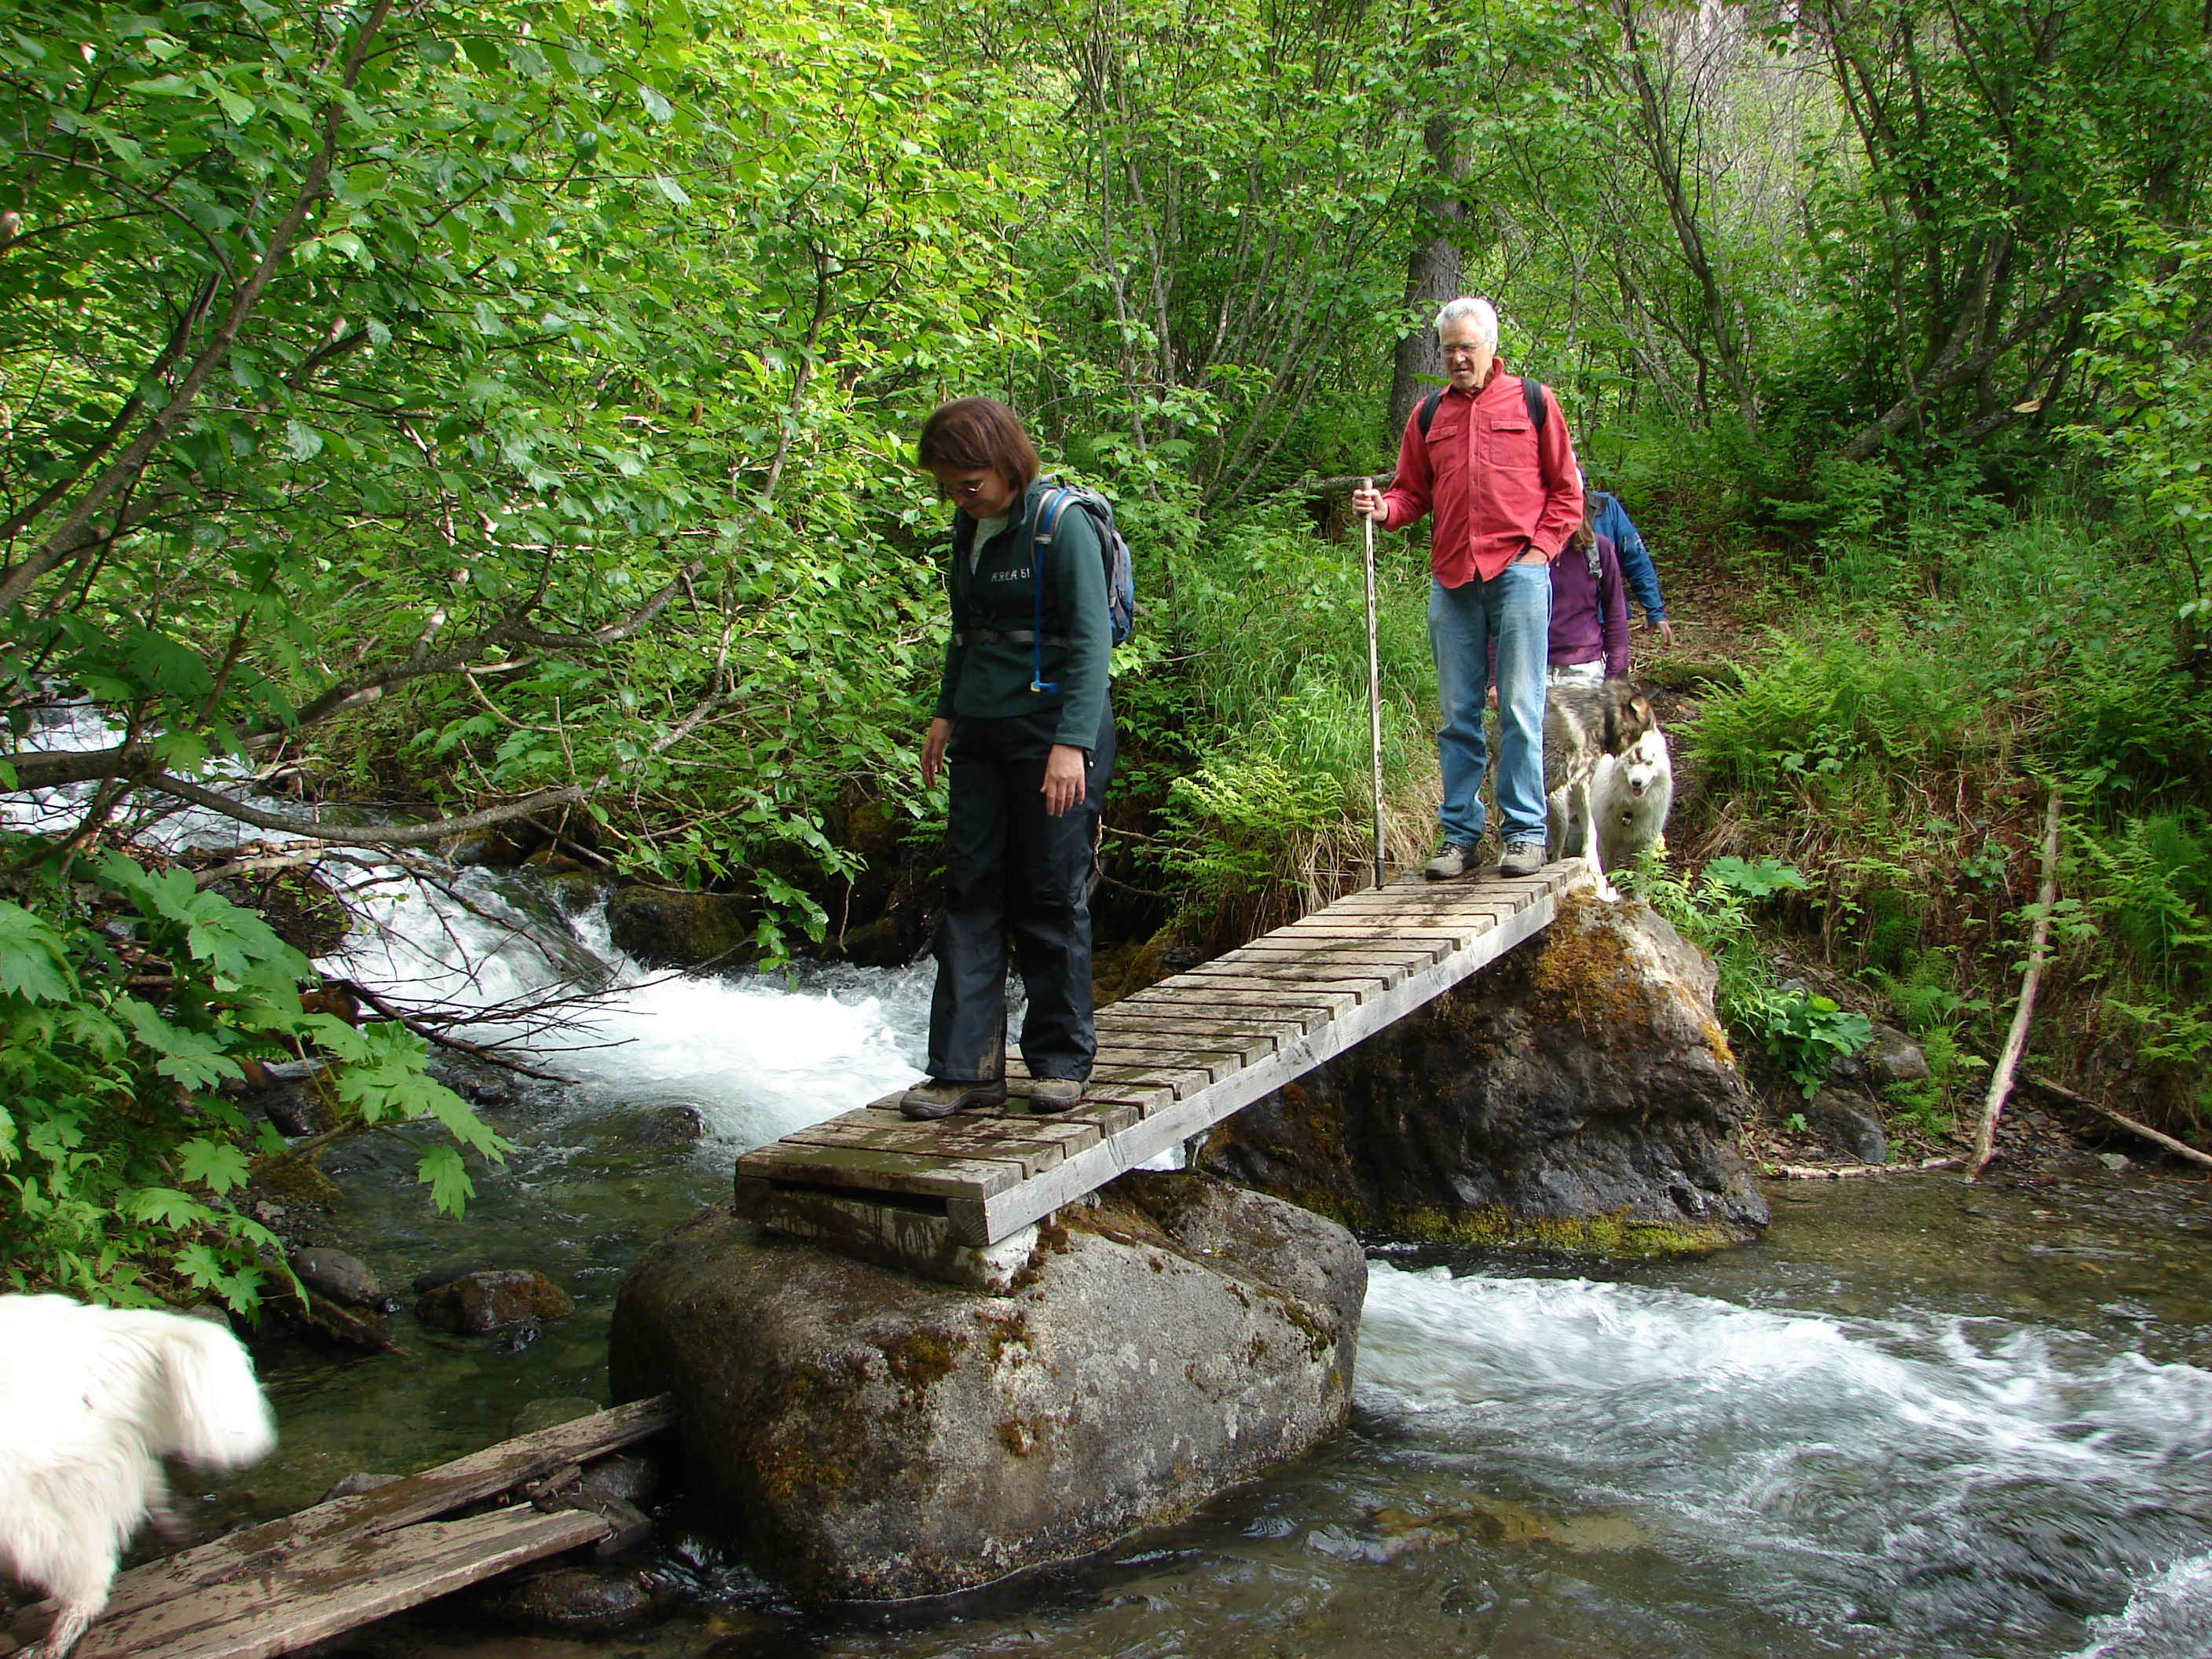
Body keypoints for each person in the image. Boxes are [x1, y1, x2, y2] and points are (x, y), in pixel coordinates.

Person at [903, 397, 1114, 1122]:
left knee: (1050, 891)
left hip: (1053, 731)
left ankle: (1059, 1062)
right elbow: (965, 629)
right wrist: (945, 710)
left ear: (1006, 463)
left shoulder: (1061, 524)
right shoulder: (970, 526)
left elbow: (1091, 640)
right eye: (949, 489)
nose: (960, 499)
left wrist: (1072, 744)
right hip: (983, 731)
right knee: (970, 890)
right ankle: (965, 1070)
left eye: (970, 484)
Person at [1352, 298, 1582, 880]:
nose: (1457, 358)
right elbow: (1411, 493)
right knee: (1458, 715)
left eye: (1467, 347)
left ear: (1490, 347)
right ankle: (1460, 838)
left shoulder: (1533, 402)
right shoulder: (1429, 415)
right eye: (1449, 348)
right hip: (1453, 578)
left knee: (1521, 711)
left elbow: (1567, 492)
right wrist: (1382, 509)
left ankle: (1525, 834)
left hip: (1517, 575)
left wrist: (1538, 554)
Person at [1588, 482, 1673, 647]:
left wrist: (1655, 610)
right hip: (1556, 622)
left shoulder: (1605, 508)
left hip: (1605, 617)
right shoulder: (1542, 511)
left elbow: (1636, 560)